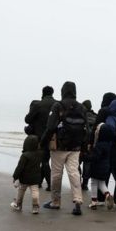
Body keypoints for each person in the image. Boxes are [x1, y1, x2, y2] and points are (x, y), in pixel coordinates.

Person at [40, 81, 87, 216]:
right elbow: (86, 130)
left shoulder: (58, 106)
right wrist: (83, 145)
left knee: (56, 174)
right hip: (75, 146)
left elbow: (50, 127)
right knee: (74, 173)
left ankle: (55, 202)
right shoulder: (81, 107)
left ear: (63, 91)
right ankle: (78, 200)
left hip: (59, 146)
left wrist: (43, 142)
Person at [25, 86, 56, 190]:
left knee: (44, 161)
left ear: (43, 93)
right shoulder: (57, 104)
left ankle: (50, 184)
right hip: (53, 138)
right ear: (52, 93)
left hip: (39, 137)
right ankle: (40, 182)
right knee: (45, 159)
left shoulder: (38, 105)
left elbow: (28, 119)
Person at [11, 133, 44, 214]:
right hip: (35, 178)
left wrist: (15, 176)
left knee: (21, 191)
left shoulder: (25, 155)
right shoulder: (40, 154)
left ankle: (18, 205)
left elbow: (20, 167)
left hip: (24, 178)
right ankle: (35, 207)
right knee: (35, 192)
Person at [88, 120, 116, 210]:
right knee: (101, 183)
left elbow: (95, 157)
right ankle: (107, 194)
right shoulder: (109, 144)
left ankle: (93, 202)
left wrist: (86, 157)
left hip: (97, 167)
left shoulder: (99, 145)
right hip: (105, 167)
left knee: (93, 183)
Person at [79, 99, 98, 192]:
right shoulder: (97, 117)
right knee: (87, 164)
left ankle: (77, 181)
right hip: (91, 144)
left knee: (76, 163)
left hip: (80, 143)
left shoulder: (81, 116)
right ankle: (85, 184)